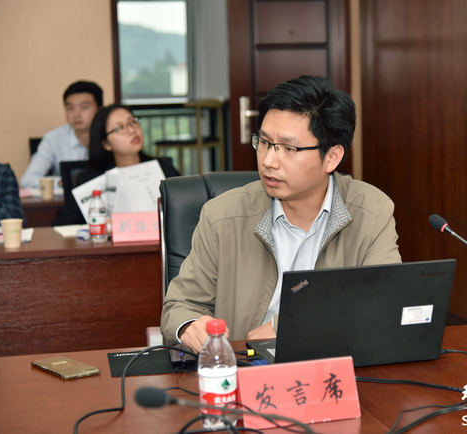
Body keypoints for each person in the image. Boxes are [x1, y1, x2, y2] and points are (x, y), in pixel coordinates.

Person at [161, 75, 402, 352]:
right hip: (245, 367)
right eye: (264, 142)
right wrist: (189, 326)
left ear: (332, 157)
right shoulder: (222, 215)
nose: (268, 161)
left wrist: (289, 325)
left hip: (332, 364)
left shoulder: (371, 211)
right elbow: (179, 306)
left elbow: (385, 303)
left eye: (289, 148)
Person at [53, 104, 179, 225]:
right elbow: (63, 225)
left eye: (132, 122)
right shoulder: (91, 180)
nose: (132, 130)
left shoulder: (164, 169)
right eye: (120, 128)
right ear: (106, 144)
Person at [20, 80, 103, 189]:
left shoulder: (111, 135)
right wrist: (63, 182)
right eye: (70, 108)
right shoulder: (53, 139)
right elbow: (28, 180)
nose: (76, 114)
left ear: (99, 109)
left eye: (84, 107)